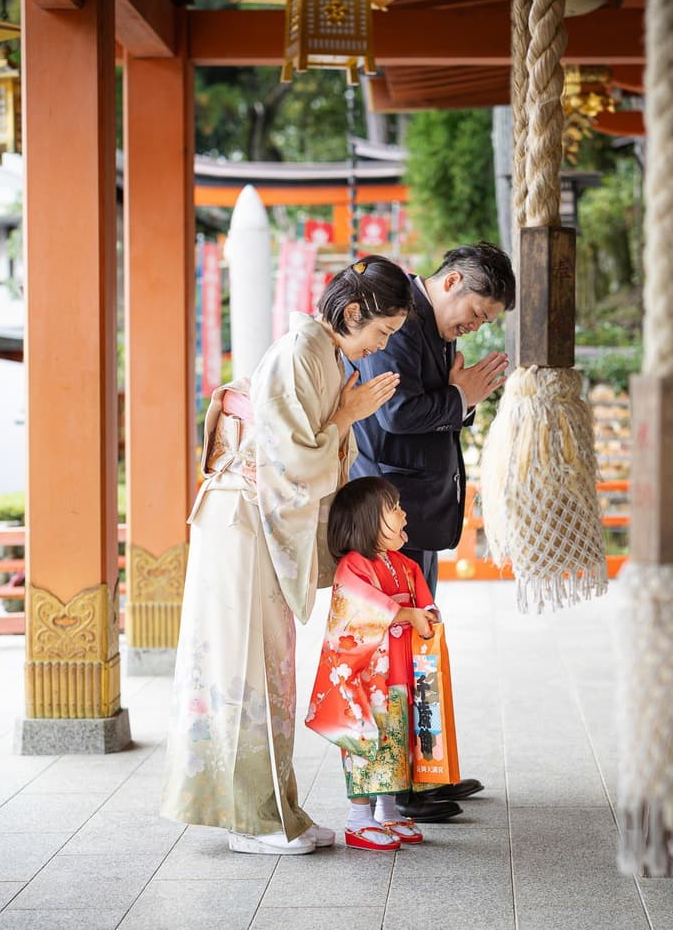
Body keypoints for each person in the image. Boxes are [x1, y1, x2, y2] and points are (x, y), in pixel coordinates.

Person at [160, 256, 412, 856]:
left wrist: (343, 415)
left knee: (265, 667)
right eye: (379, 332)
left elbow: (300, 449)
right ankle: (253, 819)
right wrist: (348, 414)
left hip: (252, 517)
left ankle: (275, 809)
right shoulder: (302, 350)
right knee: (245, 666)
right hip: (242, 516)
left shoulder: (321, 353)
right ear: (351, 313)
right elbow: (290, 458)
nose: (380, 347)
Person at [348, 242, 516, 820]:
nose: (474, 327)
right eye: (476, 313)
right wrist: (460, 397)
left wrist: (461, 400)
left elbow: (434, 407)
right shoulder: (397, 320)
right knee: (394, 646)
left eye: (485, 322)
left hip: (417, 507)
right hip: (391, 512)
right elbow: (393, 415)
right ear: (451, 283)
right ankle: (393, 791)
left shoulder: (435, 328)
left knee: (419, 644)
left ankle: (421, 776)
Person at [304, 476, 441, 852]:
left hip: (398, 673)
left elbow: (422, 601)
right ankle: (358, 819)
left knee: (398, 741)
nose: (403, 513)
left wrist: (425, 614)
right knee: (371, 743)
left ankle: (389, 811)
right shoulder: (353, 567)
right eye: (393, 509)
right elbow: (359, 609)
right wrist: (404, 613)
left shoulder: (403, 564)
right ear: (366, 521)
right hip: (368, 680)